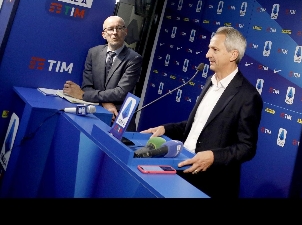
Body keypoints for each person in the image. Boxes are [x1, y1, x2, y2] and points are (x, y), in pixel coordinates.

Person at [141, 26, 263, 198]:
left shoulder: (248, 96)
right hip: (183, 169)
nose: (207, 55)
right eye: (209, 49)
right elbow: (198, 125)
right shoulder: (209, 82)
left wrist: (213, 156)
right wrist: (165, 129)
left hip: (211, 183)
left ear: (233, 55)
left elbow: (246, 147)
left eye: (215, 49)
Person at [63, 16, 142, 122]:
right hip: (92, 110)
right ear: (104, 34)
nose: (115, 32)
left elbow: (120, 92)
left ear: (125, 32)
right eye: (110, 29)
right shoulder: (93, 53)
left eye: (119, 28)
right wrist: (104, 103)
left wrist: (83, 95)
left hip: (117, 115)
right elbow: (87, 86)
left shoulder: (134, 58)